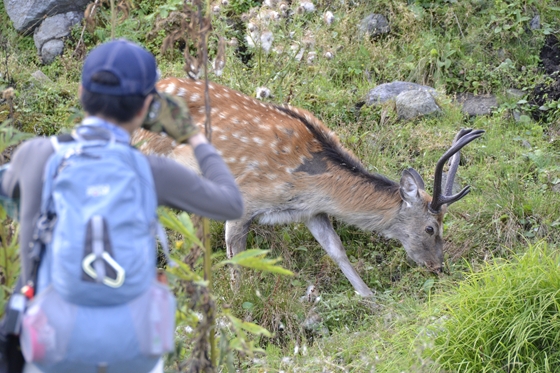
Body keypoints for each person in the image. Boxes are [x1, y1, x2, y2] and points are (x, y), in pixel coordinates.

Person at [0, 39, 244, 373]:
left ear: (82, 93)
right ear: (147, 108)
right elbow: (232, 203)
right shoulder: (153, 171)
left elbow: (9, 189)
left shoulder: (37, 155)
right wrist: (193, 136)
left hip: (51, 348)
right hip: (132, 354)